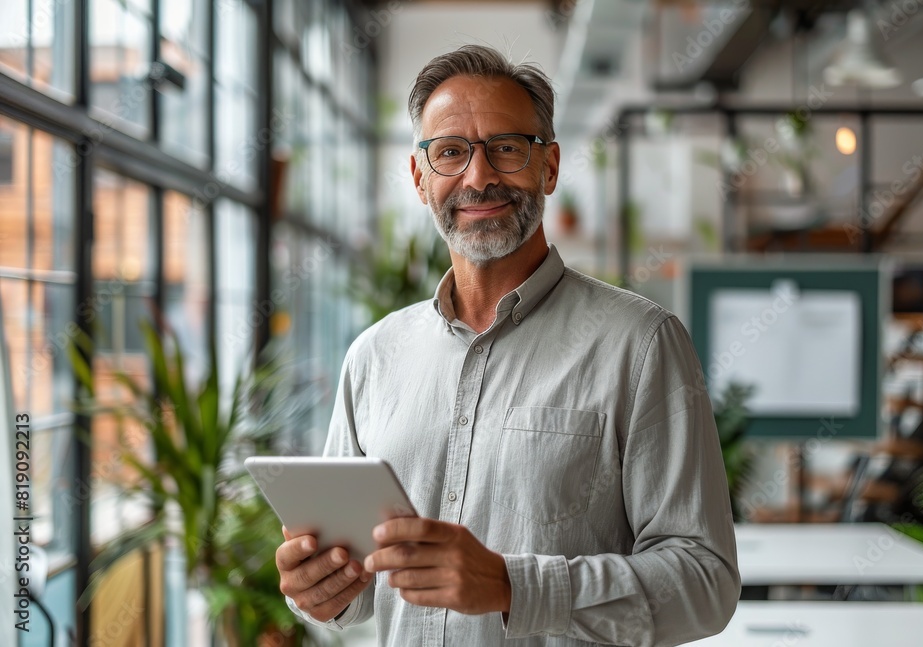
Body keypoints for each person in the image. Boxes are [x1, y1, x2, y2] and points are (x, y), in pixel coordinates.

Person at [276, 44, 739, 646]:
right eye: (450, 153)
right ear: (421, 179)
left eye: (506, 148)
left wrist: (513, 586)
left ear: (548, 167)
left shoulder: (641, 345)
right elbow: (355, 591)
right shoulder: (373, 357)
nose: (479, 176)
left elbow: (704, 584)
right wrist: (320, 591)